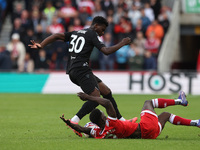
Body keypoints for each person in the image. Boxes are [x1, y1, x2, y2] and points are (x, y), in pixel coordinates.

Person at [28, 16, 131, 137]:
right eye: (102, 30)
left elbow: (56, 36)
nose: (102, 33)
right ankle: (74, 121)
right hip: (81, 70)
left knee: (106, 91)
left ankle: (121, 120)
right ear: (96, 26)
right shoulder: (92, 34)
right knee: (96, 97)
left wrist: (42, 45)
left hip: (74, 70)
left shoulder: (77, 33)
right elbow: (106, 51)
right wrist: (122, 43)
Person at [60, 91, 200, 139]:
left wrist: (69, 123)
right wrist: (88, 97)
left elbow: (83, 129)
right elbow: (108, 102)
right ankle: (180, 101)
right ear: (103, 118)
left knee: (166, 115)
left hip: (149, 135)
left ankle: (196, 122)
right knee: (148, 102)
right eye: (103, 114)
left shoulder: (99, 133)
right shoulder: (111, 122)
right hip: (145, 127)